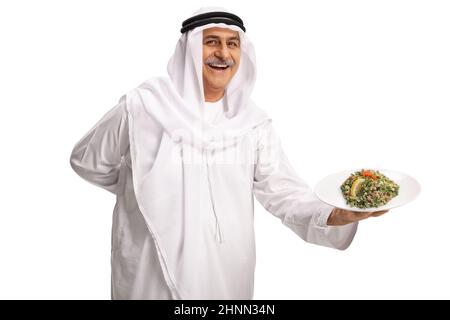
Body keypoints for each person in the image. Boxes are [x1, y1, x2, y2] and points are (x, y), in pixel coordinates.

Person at [70, 7, 388, 300]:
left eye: (232, 44)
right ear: (190, 48)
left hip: (225, 278)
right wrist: (136, 186)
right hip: (150, 274)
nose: (223, 53)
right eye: (211, 42)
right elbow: (88, 162)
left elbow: (284, 193)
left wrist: (335, 214)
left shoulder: (251, 124)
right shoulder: (142, 107)